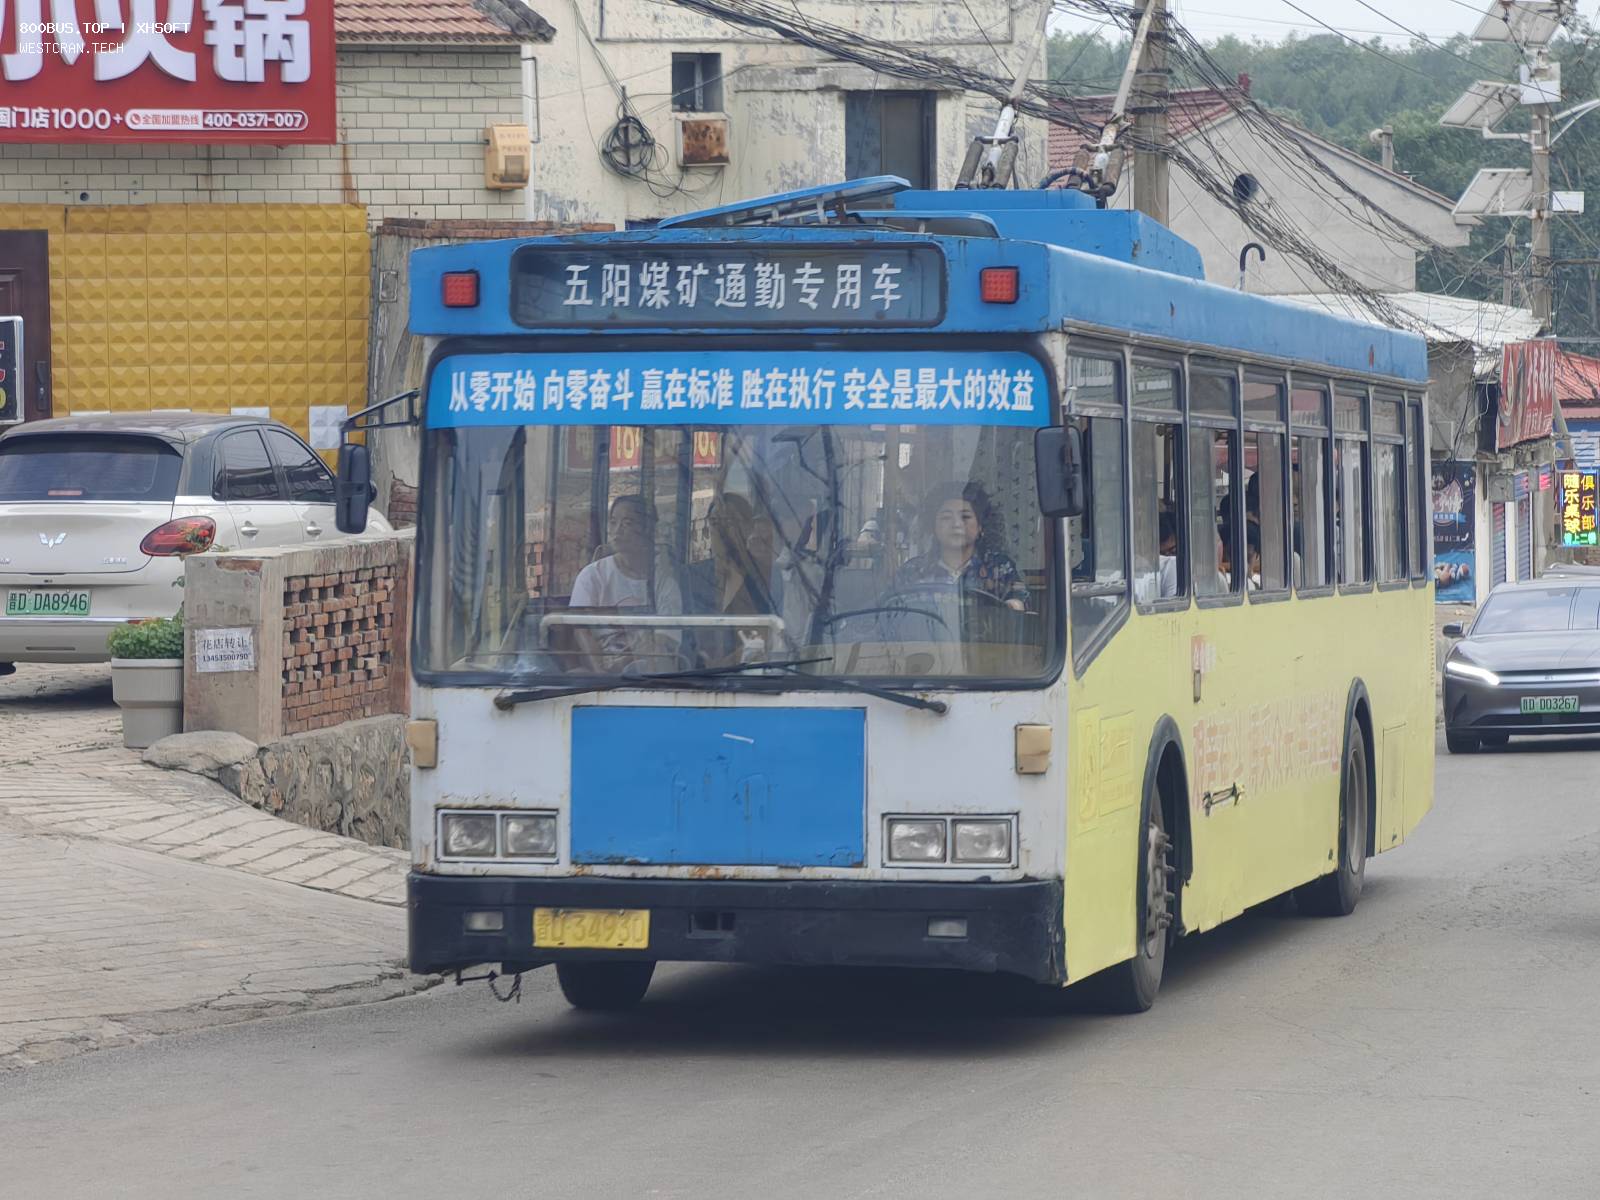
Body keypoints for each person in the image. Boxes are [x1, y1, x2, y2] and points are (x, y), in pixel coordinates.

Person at [894, 482, 1027, 610]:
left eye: (965, 516)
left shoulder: (1000, 568)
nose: (956, 524)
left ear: (981, 525)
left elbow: (1020, 600)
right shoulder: (912, 571)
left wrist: (1015, 604)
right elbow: (889, 612)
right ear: (933, 526)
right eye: (946, 517)